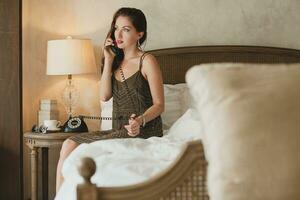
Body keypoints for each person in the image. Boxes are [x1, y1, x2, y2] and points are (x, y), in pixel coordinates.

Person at [55, 7, 164, 193]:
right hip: (118, 129)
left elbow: (159, 104)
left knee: (73, 145)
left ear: (140, 34)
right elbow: (104, 96)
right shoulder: (115, 62)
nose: (118, 34)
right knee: (68, 143)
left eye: (126, 29)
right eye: (116, 28)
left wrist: (140, 120)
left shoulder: (147, 60)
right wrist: (108, 59)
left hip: (144, 130)